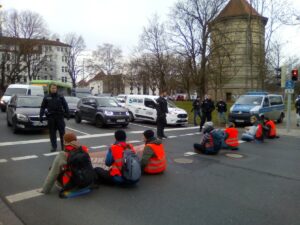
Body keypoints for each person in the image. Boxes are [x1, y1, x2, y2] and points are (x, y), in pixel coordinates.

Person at [40, 83, 69, 152]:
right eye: (52, 88)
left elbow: (65, 105)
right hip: (51, 118)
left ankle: (63, 147)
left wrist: (68, 113)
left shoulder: (60, 96)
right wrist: (41, 116)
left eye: (55, 88)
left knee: (62, 133)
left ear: (56, 89)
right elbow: (43, 107)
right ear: (50, 89)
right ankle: (54, 146)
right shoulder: (47, 97)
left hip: (59, 117)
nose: (54, 89)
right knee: (52, 133)